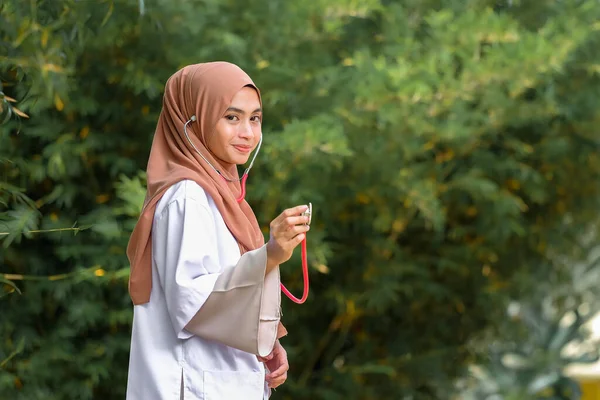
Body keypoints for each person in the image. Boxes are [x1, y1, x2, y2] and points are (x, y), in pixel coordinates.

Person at [125, 62, 310, 400]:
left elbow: (220, 289)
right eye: (231, 117)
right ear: (192, 121)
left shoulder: (223, 197)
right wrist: (270, 255)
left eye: (254, 118)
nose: (248, 133)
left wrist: (265, 345)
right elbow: (192, 303)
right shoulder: (187, 197)